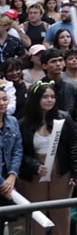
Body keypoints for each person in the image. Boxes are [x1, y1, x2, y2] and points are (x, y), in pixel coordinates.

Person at [17, 81, 77, 235]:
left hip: (60, 170)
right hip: (35, 173)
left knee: (60, 213)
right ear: (35, 100)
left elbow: (73, 146)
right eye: (45, 97)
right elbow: (19, 151)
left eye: (53, 97)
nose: (50, 100)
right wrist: (33, 165)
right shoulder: (23, 123)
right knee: (37, 214)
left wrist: (76, 172)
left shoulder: (64, 118)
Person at [0, 87, 22, 235]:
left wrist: (12, 175)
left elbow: (17, 150)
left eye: (4, 99)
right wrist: (4, 185)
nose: (2, 103)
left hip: (7, 177)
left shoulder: (13, 121)